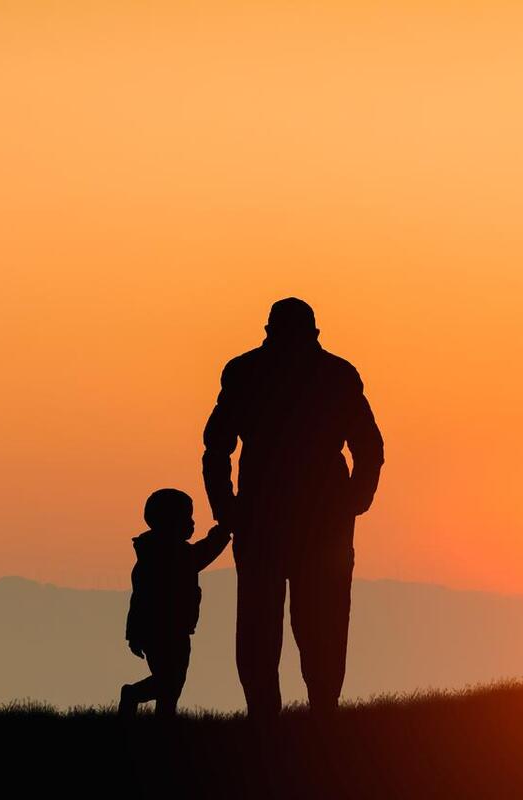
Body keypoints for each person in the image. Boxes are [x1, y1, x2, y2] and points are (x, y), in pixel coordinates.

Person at [202, 297, 384, 719]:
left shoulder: (250, 371)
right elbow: (369, 448)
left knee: (281, 623)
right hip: (295, 519)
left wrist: (227, 507)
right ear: (314, 332)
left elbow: (216, 448)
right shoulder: (334, 374)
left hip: (285, 518)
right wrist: (355, 500)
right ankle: (312, 713)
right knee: (307, 622)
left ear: (268, 330)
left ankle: (290, 715)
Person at [119, 488, 230, 718]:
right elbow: (202, 554)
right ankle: (133, 694)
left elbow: (137, 600)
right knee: (170, 680)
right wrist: (221, 533)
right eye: (187, 518)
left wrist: (133, 634)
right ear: (170, 522)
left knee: (172, 681)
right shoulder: (170, 555)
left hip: (173, 629)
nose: (192, 523)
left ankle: (164, 721)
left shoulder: (154, 554)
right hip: (164, 630)